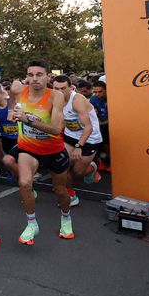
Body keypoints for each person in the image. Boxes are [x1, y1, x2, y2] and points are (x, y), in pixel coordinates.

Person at [4, 60, 72, 245]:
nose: (34, 79)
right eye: (30, 75)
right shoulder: (19, 90)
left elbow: (56, 129)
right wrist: (11, 110)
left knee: (60, 191)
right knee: (25, 183)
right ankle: (32, 223)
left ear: (48, 76)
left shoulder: (55, 96)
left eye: (39, 74)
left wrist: (27, 120)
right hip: (28, 147)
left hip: (53, 149)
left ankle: (66, 217)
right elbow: (11, 95)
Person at [52, 75, 103, 204]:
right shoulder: (54, 99)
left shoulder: (77, 100)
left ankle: (92, 168)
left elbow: (88, 127)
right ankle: (70, 194)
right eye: (56, 88)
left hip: (90, 138)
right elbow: (62, 120)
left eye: (63, 88)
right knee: (62, 165)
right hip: (71, 135)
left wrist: (78, 146)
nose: (60, 91)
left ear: (70, 87)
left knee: (78, 172)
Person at [90, 80, 111, 171]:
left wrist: (99, 123)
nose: (97, 94)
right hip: (99, 125)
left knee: (108, 146)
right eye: (95, 92)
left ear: (106, 90)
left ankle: (110, 163)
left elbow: (115, 119)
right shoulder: (93, 99)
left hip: (111, 126)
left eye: (100, 91)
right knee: (96, 145)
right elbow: (92, 113)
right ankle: (100, 164)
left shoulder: (112, 98)